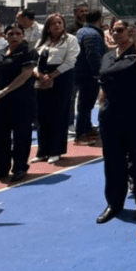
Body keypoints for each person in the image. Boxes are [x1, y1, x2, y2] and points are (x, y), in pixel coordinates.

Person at [95, 19, 136, 224]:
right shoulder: (107, 56)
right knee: (113, 160)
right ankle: (114, 203)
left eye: (120, 30)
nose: (115, 33)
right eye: (113, 30)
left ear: (131, 31)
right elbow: (103, 82)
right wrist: (102, 105)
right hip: (111, 115)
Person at [0, 23, 38, 184]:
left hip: (21, 100)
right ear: (5, 36)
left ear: (23, 36)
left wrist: (5, 91)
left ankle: (20, 167)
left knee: (21, 134)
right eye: (11, 34)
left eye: (18, 33)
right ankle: (0, 167)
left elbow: (25, 75)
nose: (14, 37)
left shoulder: (29, 52)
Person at [32, 13, 79, 164]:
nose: (57, 25)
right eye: (53, 23)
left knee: (58, 115)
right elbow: (34, 61)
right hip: (42, 77)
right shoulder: (42, 41)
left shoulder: (70, 39)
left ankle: (55, 150)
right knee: (42, 115)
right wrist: (39, 75)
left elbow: (70, 61)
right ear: (48, 27)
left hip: (61, 77)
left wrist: (52, 76)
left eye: (60, 22)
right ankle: (42, 151)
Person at [72, 10, 106, 146]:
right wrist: (98, 73)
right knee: (86, 104)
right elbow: (93, 55)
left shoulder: (81, 31)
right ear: (99, 20)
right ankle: (81, 134)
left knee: (84, 103)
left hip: (80, 72)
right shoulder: (93, 34)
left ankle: (86, 129)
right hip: (89, 74)